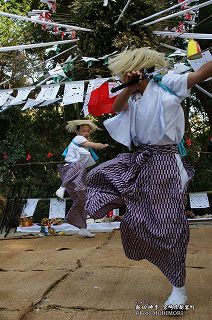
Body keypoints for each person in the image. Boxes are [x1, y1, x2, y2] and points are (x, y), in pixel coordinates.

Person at [85, 48, 212, 306]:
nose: (120, 79)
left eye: (123, 75)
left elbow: (199, 74)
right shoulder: (131, 97)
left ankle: (178, 287)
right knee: (99, 176)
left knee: (168, 225)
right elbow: (116, 107)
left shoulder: (168, 83)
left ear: (138, 69)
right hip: (140, 160)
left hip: (165, 163)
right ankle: (113, 209)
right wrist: (131, 88)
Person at [56, 119, 109, 238]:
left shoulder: (82, 141)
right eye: (84, 131)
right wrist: (102, 145)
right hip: (72, 170)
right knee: (81, 197)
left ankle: (82, 228)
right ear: (78, 131)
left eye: (88, 131)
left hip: (78, 172)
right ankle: (61, 188)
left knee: (82, 199)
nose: (86, 133)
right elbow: (93, 145)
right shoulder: (78, 139)